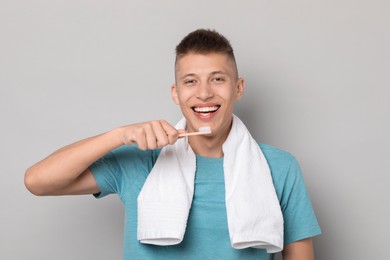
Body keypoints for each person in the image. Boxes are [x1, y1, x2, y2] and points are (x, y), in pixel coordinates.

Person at [25, 29, 321, 260]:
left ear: (238, 88)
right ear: (176, 93)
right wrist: (119, 135)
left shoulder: (279, 168)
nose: (204, 93)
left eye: (217, 79)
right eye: (190, 82)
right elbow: (38, 181)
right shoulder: (139, 161)